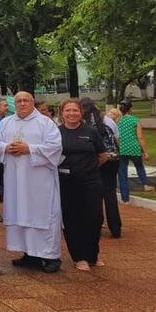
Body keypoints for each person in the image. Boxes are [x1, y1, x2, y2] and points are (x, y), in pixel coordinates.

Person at [0, 91, 63, 273]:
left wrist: (28, 149)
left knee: (43, 214)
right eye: (19, 101)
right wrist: (7, 147)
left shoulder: (45, 123)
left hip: (39, 180)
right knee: (20, 213)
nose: (22, 104)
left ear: (32, 103)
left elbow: (55, 147)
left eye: (26, 100)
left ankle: (50, 256)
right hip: (15, 179)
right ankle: (29, 254)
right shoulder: (6, 123)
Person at [57, 99, 106, 271]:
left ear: (81, 112)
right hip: (67, 183)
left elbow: (102, 156)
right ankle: (79, 256)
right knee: (72, 219)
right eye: (68, 110)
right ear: (62, 113)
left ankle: (93, 253)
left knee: (95, 217)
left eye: (75, 110)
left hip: (91, 182)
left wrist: (88, 169)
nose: (71, 114)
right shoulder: (56, 133)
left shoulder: (90, 132)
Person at [81, 98, 121, 238]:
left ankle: (96, 225)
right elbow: (116, 139)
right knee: (110, 193)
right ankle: (116, 228)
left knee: (94, 194)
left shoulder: (83, 122)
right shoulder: (108, 120)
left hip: (94, 161)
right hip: (112, 160)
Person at [117, 101, 155, 202]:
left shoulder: (117, 120)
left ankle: (125, 198)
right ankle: (145, 184)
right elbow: (140, 137)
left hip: (121, 149)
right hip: (134, 148)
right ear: (130, 109)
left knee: (122, 173)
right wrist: (145, 151)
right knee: (139, 166)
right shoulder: (135, 120)